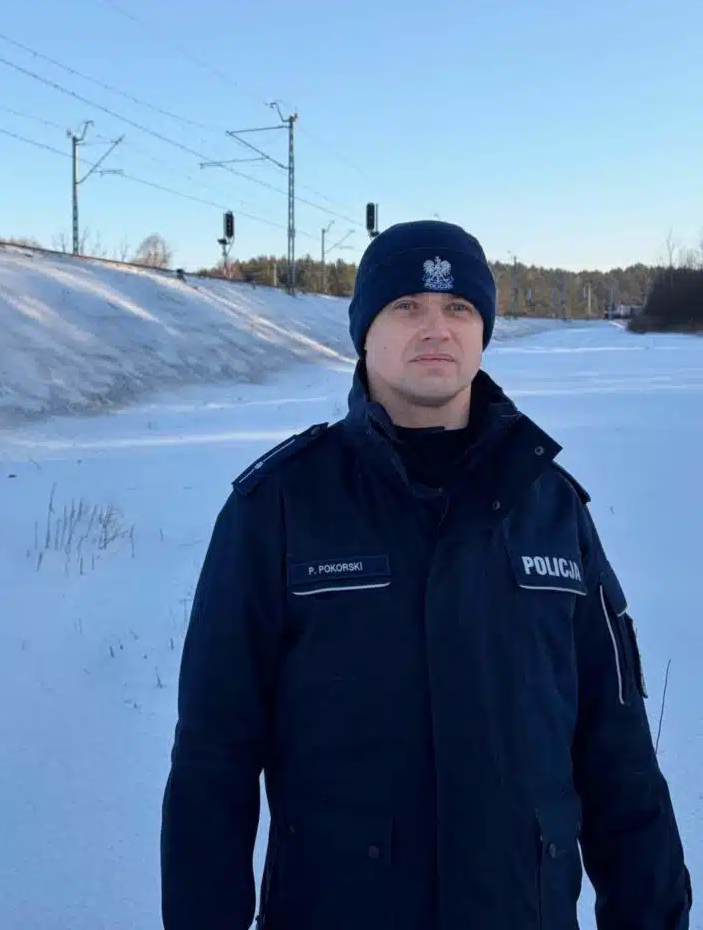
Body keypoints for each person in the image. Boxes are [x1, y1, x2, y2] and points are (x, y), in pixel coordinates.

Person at [159, 220, 692, 929]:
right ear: (364, 333)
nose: (436, 328)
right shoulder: (281, 505)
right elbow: (212, 760)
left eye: (459, 307)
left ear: (483, 331)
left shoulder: (550, 506)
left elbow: (617, 751)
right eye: (407, 306)